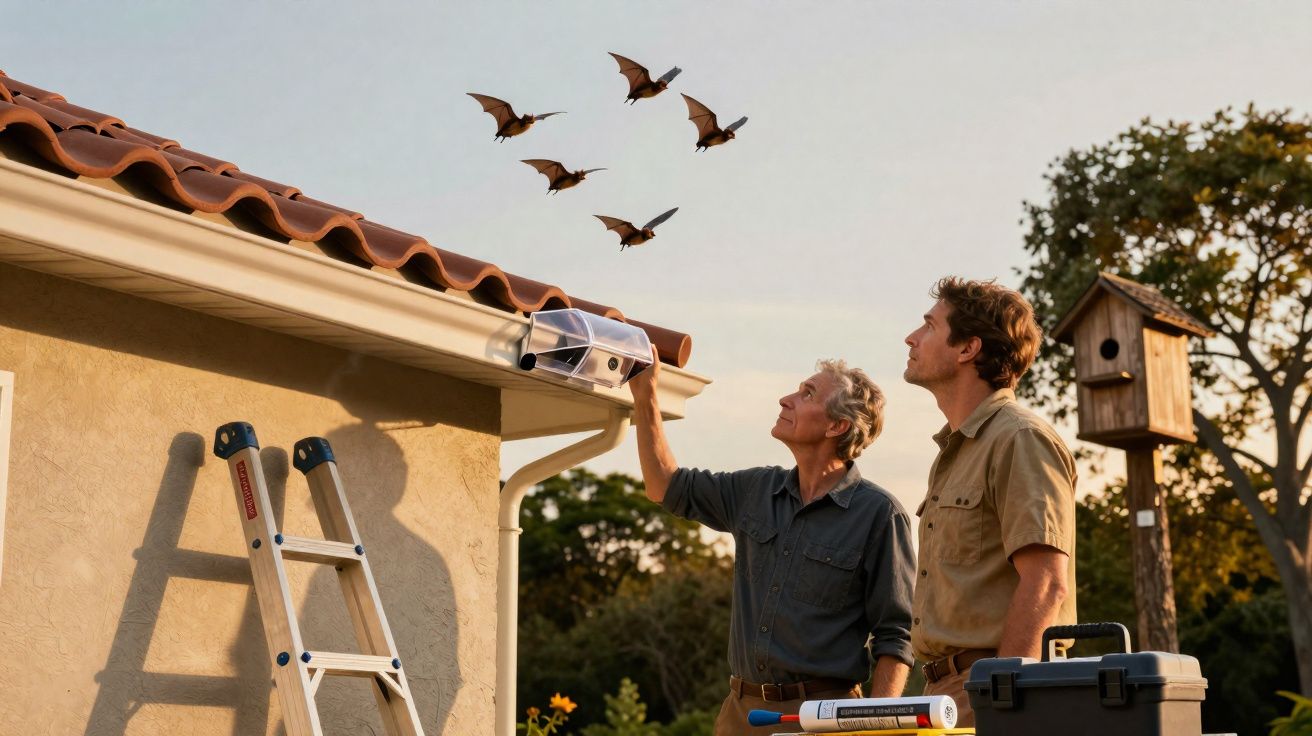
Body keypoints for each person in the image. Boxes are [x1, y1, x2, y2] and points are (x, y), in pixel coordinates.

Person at [629, 354, 915, 736]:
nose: (786, 399)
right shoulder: (754, 490)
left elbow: (895, 637)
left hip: (824, 719)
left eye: (807, 394)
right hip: (740, 715)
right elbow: (663, 485)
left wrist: (877, 728)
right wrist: (645, 395)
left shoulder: (880, 514)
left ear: (837, 425)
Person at [903, 276, 1078, 726]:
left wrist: (1002, 700)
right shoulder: (955, 451)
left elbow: (1046, 584)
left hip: (992, 692)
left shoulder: (1020, 438)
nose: (911, 338)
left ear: (968, 348)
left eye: (929, 326)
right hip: (946, 692)